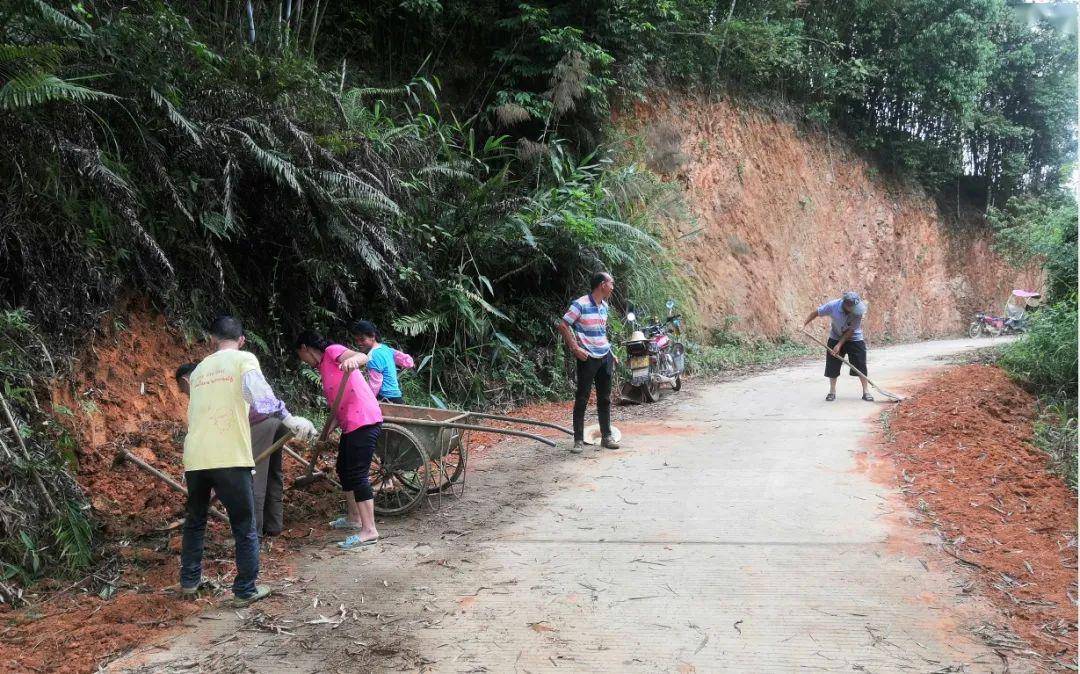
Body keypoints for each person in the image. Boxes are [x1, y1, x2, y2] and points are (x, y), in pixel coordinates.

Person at [179, 315, 316, 607]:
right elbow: (261, 397)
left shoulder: (200, 369)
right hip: (229, 455)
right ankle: (244, 589)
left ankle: (189, 582)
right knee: (244, 525)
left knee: (195, 522)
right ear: (241, 340)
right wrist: (290, 419)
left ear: (212, 340)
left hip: (195, 458)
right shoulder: (244, 359)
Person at [175, 362, 305, 538]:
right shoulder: (220, 377)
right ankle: (273, 526)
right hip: (275, 422)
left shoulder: (203, 388)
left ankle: (253, 535)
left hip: (257, 424)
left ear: (186, 381)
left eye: (183, 390)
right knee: (272, 475)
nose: (185, 394)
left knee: (253, 480)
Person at [294, 330, 383, 549]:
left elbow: (363, 356)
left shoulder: (332, 352)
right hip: (350, 423)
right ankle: (354, 518)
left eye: (300, 355)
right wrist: (326, 432)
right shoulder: (323, 367)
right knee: (343, 469)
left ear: (305, 348)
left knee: (357, 474)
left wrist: (353, 361)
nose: (302, 360)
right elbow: (337, 407)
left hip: (363, 419)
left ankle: (369, 530)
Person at [557, 271, 620, 453]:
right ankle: (578, 440)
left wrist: (611, 352)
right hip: (587, 357)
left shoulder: (605, 307)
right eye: (611, 283)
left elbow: (601, 333)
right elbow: (563, 325)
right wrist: (575, 348)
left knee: (605, 398)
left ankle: (606, 437)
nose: (613, 287)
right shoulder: (580, 304)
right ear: (602, 284)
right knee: (582, 398)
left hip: (604, 356)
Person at [803, 291, 873, 402]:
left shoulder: (858, 312)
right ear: (846, 305)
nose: (856, 309)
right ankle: (832, 391)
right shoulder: (832, 306)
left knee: (860, 365)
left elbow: (851, 331)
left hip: (854, 337)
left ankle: (866, 391)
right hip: (835, 336)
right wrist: (804, 324)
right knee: (832, 365)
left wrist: (839, 345)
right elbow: (815, 313)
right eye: (853, 307)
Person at [349, 319, 414, 404]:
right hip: (397, 397)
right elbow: (408, 362)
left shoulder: (373, 356)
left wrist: (367, 401)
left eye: (362, 339)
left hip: (385, 398)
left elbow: (375, 384)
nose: (359, 343)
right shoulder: (386, 349)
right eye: (356, 340)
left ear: (372, 336)